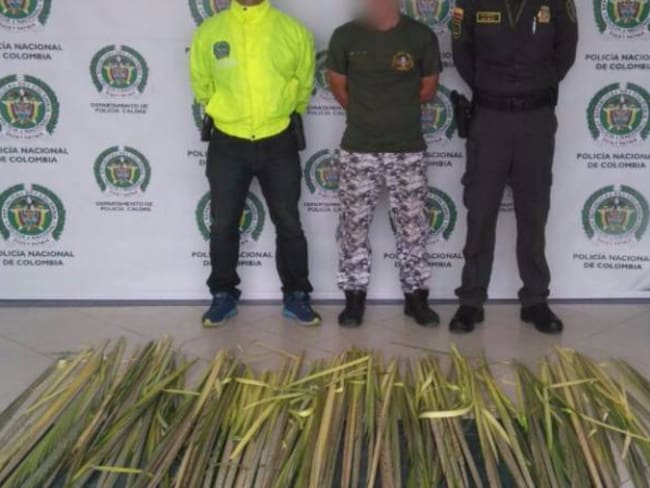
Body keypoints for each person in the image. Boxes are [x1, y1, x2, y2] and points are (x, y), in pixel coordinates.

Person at [190, 0, 321, 327]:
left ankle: (297, 295)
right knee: (223, 224)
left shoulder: (292, 31)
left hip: (278, 139)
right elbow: (202, 86)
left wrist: (279, 113)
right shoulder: (210, 32)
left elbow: (303, 84)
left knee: (288, 222)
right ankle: (223, 294)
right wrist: (228, 113)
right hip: (227, 141)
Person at [450, 0, 578, 334]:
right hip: (489, 119)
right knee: (480, 212)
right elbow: (462, 52)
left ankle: (535, 301)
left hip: (535, 119)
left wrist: (537, 83)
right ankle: (471, 300)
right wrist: (491, 86)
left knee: (533, 212)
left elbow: (566, 50)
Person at [326, 0, 443, 328]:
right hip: (359, 148)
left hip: (407, 148)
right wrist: (370, 114)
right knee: (353, 228)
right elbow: (338, 87)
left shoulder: (420, 36)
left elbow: (427, 88)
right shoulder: (345, 36)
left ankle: (416, 298)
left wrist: (393, 111)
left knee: (412, 227)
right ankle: (354, 298)